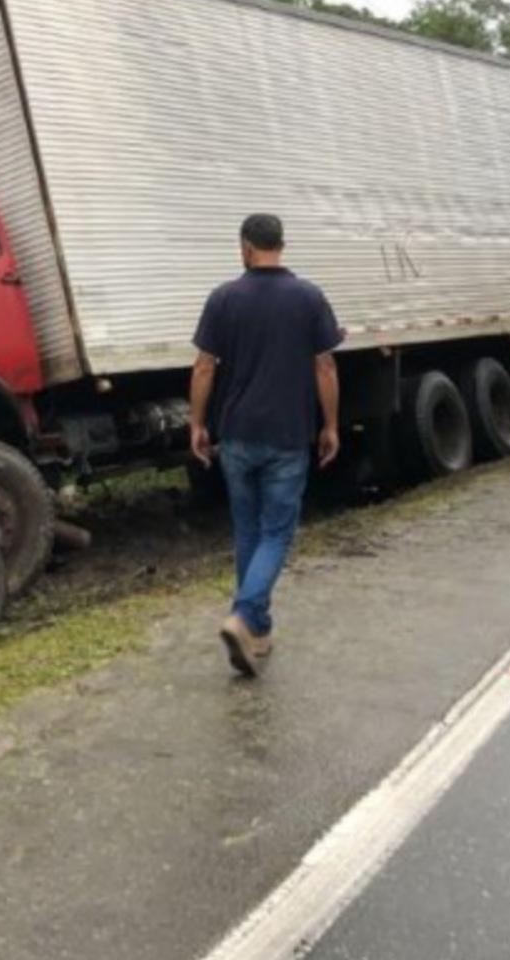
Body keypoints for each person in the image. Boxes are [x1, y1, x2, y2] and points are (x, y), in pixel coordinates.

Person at [189, 213, 343, 678]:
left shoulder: (224, 298)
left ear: (246, 247)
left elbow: (203, 368)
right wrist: (330, 424)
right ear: (282, 244)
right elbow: (326, 369)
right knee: (276, 533)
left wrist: (197, 423)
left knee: (249, 532)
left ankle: (257, 630)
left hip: (236, 434)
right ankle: (243, 615)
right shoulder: (309, 297)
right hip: (288, 434)